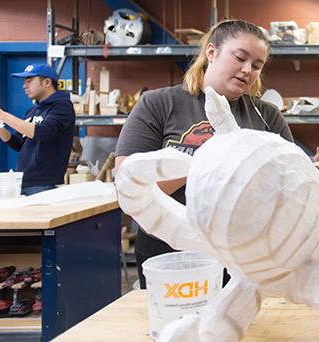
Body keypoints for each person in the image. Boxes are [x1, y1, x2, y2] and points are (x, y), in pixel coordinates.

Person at [115, 19, 294, 288]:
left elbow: (289, 185)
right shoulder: (159, 104)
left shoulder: (266, 115)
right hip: (167, 248)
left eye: (256, 66)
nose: (247, 70)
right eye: (240, 58)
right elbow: (128, 183)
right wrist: (208, 160)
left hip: (244, 252)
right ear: (211, 52)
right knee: (175, 325)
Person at [0, 63, 75, 196]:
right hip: (23, 181)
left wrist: (2, 114)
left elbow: (42, 133)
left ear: (47, 82)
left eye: (29, 81)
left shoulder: (62, 107)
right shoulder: (33, 110)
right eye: (24, 81)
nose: (24, 86)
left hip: (45, 183)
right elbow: (18, 144)